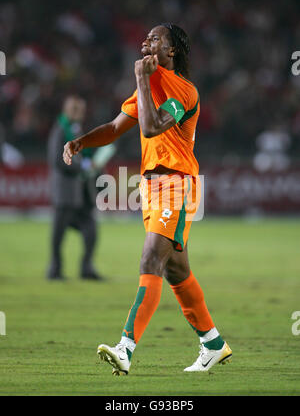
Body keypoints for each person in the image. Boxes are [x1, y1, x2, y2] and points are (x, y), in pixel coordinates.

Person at [63, 24, 232, 373]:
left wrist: (142, 78)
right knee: (175, 270)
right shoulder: (148, 86)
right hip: (151, 188)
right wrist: (81, 141)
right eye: (146, 38)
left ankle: (125, 348)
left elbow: (152, 127)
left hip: (177, 184)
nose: (145, 42)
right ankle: (213, 343)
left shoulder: (184, 90)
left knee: (150, 260)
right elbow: (113, 129)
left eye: (155, 39)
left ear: (171, 52)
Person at [47, 95, 104, 281]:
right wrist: (84, 167)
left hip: (79, 193)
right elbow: (57, 161)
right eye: (77, 109)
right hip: (64, 192)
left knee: (90, 229)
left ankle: (86, 268)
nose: (81, 113)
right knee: (59, 232)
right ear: (70, 110)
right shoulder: (60, 130)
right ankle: (54, 269)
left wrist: (92, 164)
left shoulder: (74, 130)